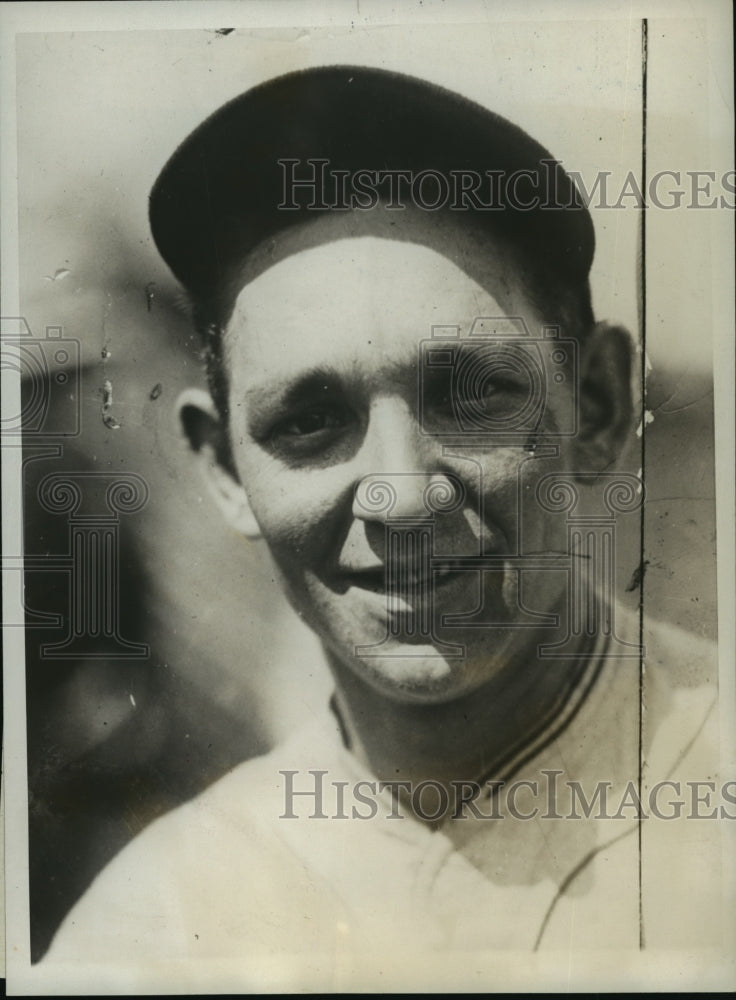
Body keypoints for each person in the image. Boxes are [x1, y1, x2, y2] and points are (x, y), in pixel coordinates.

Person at [46, 65, 722, 973]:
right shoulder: (153, 929)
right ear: (223, 469)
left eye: (473, 393)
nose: (401, 496)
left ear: (597, 404)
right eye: (311, 422)